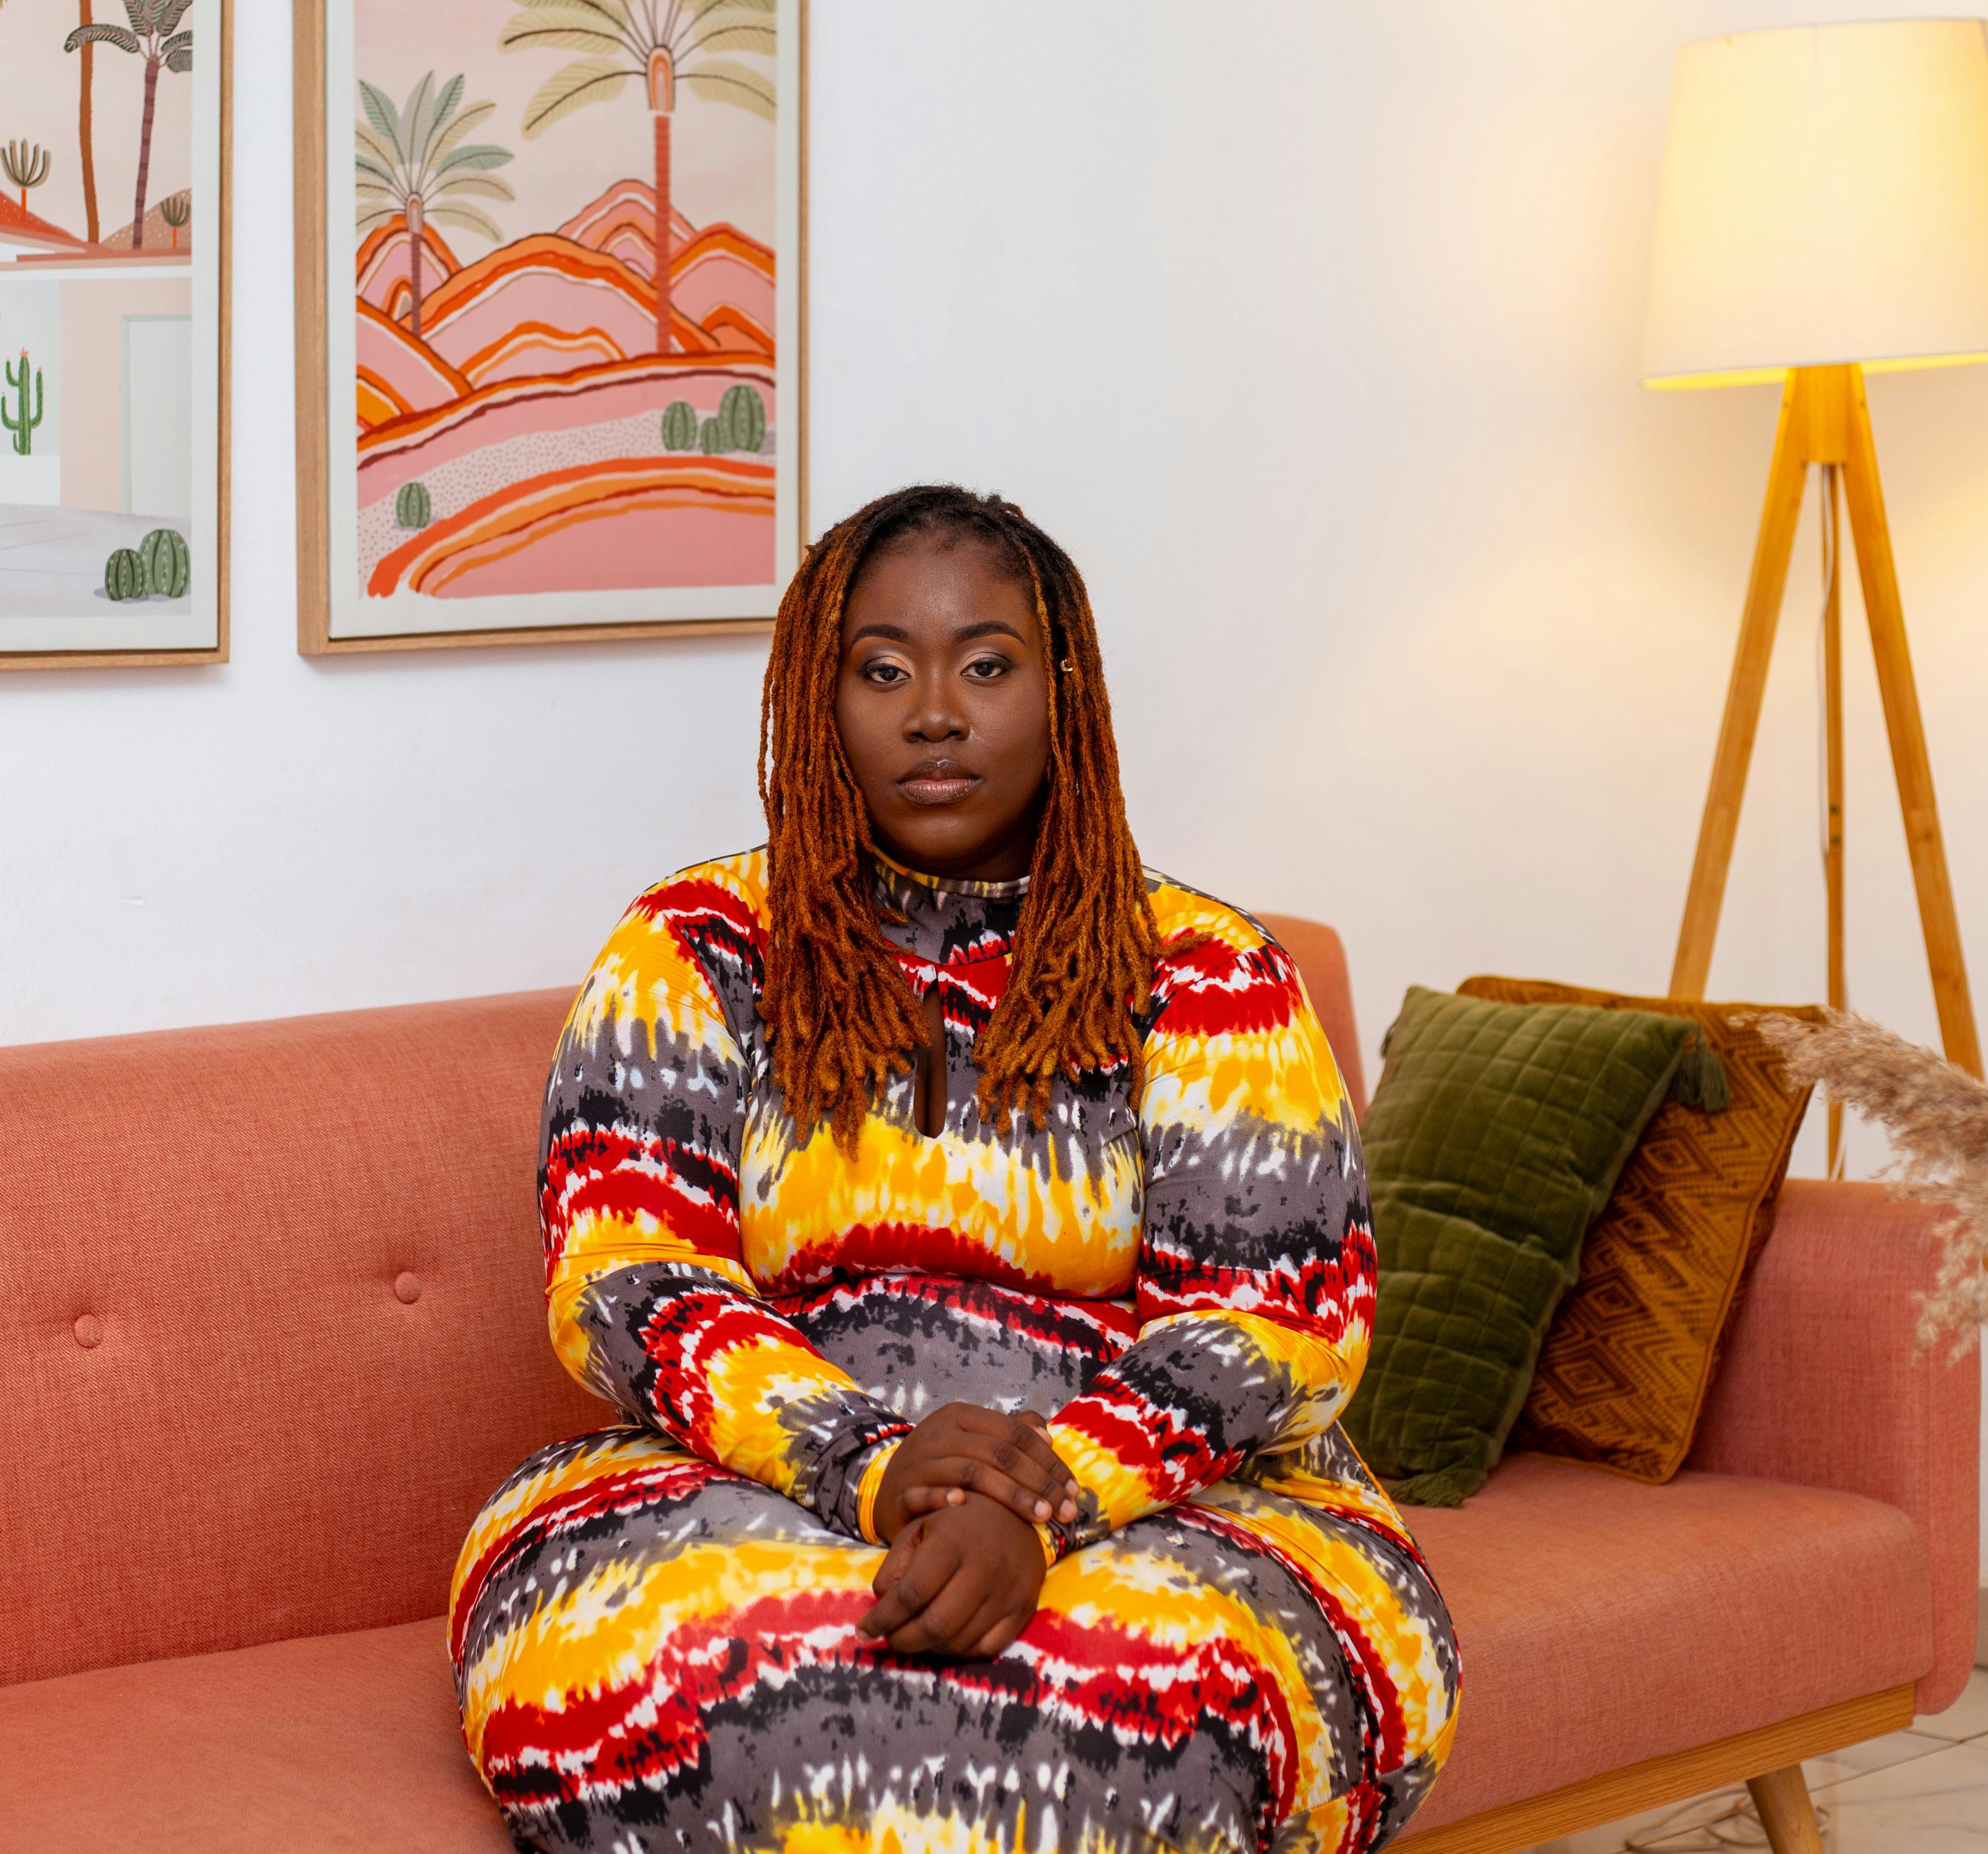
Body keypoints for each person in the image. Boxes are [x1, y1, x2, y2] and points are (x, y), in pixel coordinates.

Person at [450, 485, 1459, 1854]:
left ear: (1066, 696)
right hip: (761, 1471)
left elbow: (1273, 1321)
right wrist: (876, 1468)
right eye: (883, 669)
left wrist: (1037, 1501)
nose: (935, 712)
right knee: (670, 1677)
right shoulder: (695, 947)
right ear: (821, 698)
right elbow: (629, 1279)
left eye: (986, 664)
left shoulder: (1208, 968)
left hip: (1162, 1486)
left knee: (1147, 1718)